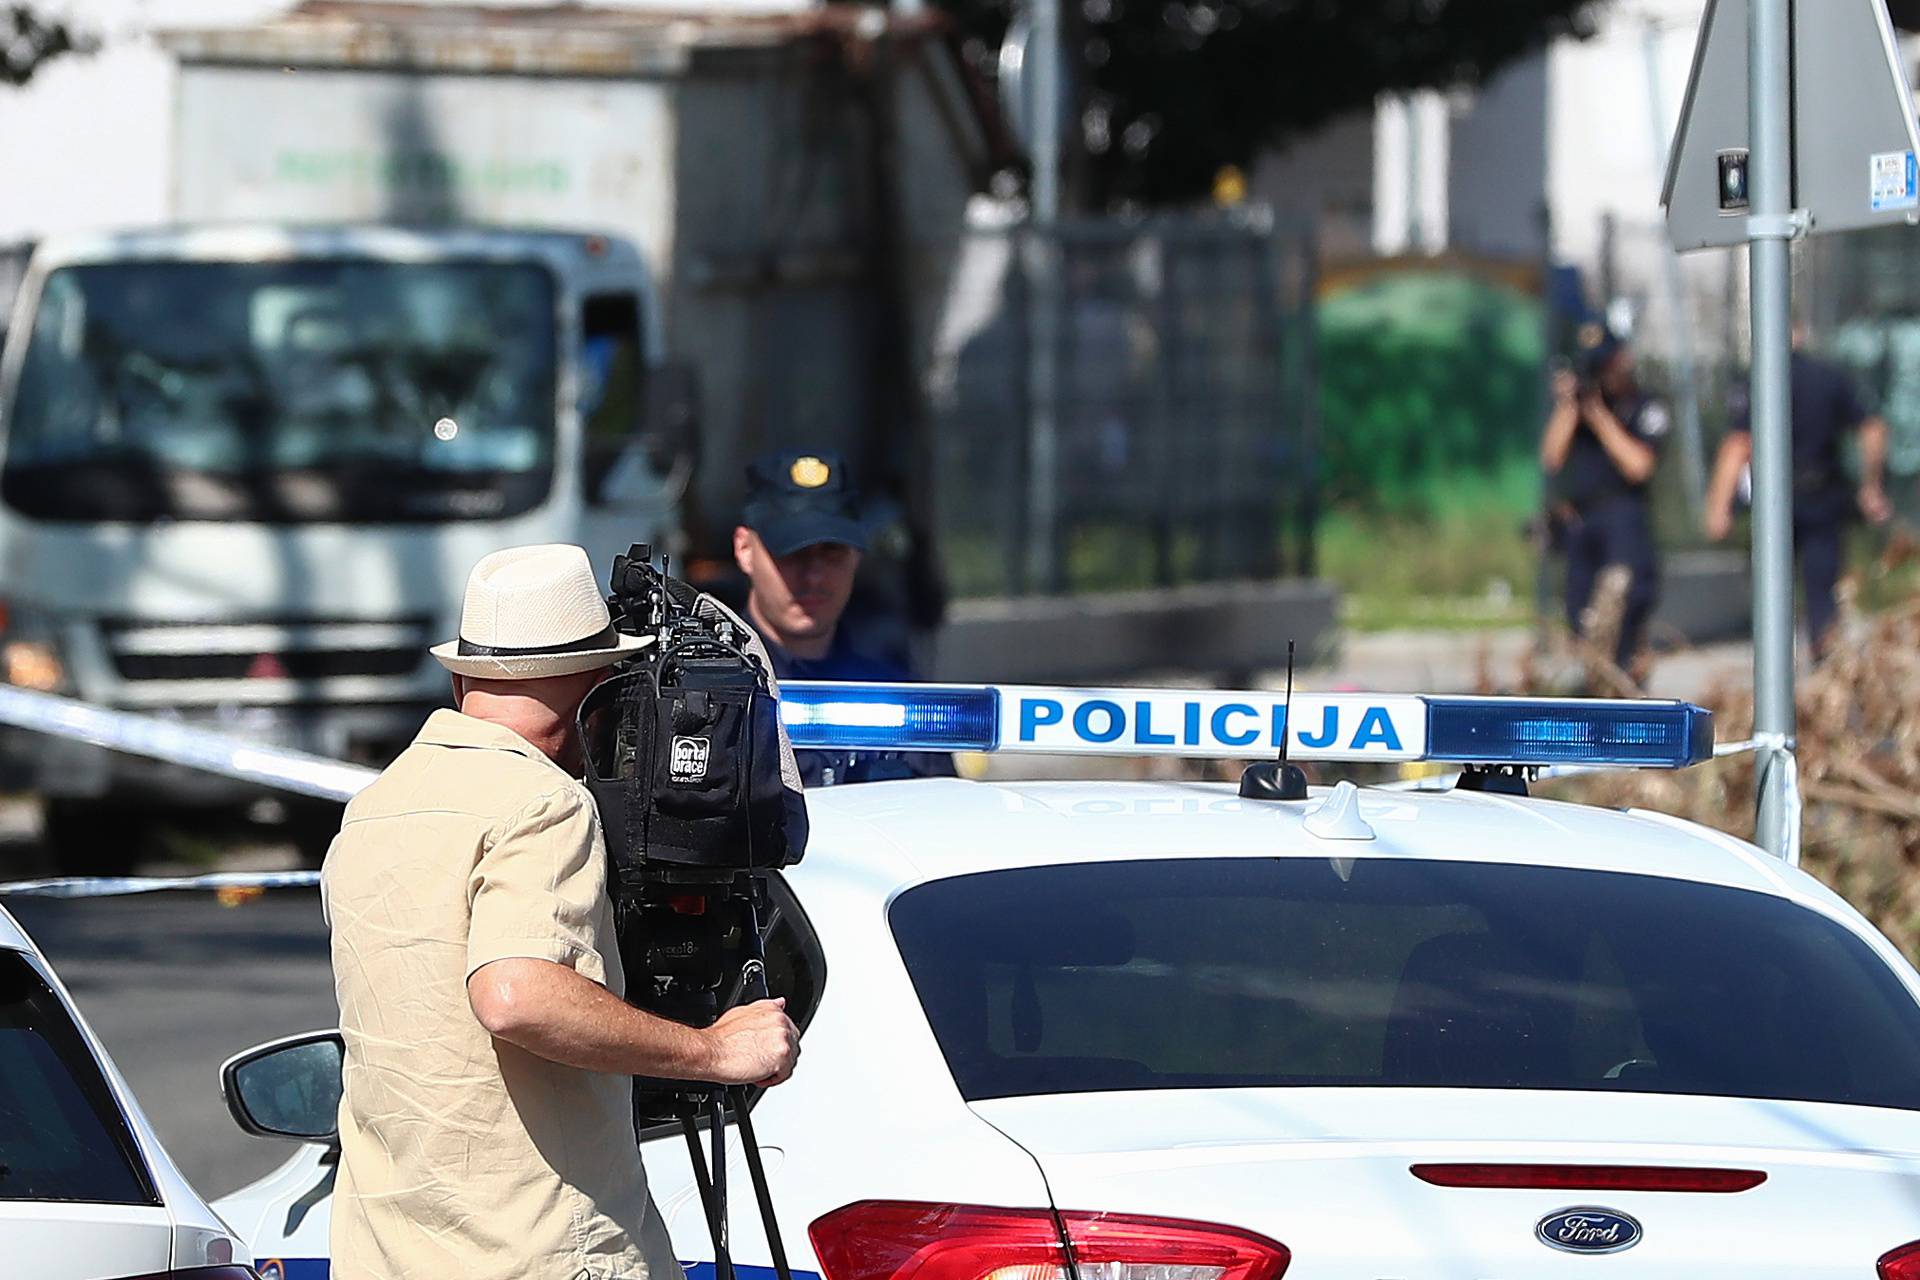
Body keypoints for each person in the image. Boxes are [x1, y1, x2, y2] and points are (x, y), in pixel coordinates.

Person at [323, 543, 800, 1280]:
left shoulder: (374, 808)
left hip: (385, 1255)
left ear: (461, 676)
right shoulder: (544, 802)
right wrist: (713, 1052)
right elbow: (515, 994)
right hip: (536, 1251)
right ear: (601, 688)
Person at [733, 449, 955, 786]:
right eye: (793, 553)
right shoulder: (708, 693)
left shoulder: (894, 694)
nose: (814, 576)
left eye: (832, 552)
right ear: (745, 550)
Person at [1703, 327, 1891, 657]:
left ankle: (1774, 667)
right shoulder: (1829, 377)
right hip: (1822, 495)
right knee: (1822, 592)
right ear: (1801, 333)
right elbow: (1872, 429)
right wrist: (1870, 487)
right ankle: (1824, 669)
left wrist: (1719, 508)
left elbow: (1737, 445)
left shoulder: (1757, 380)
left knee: (1770, 591)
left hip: (1773, 501)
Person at [1540, 334, 1670, 674]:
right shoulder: (1576, 411)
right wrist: (1570, 406)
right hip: (1583, 518)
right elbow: (1551, 458)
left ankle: (1625, 673)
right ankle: (1593, 675)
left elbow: (1638, 466)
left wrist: (1599, 416)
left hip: (1624, 514)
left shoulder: (1644, 405)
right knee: (1579, 609)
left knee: (1626, 604)